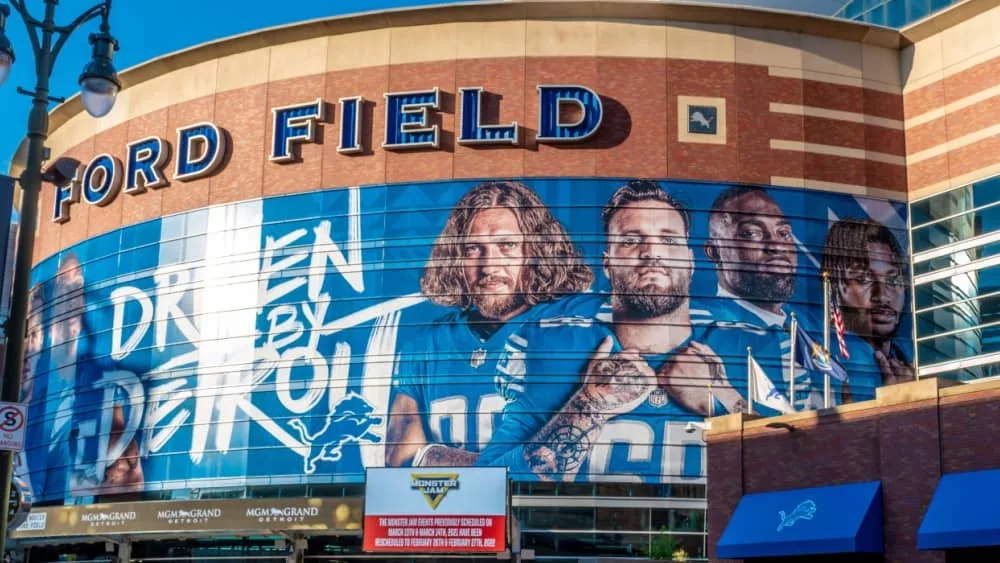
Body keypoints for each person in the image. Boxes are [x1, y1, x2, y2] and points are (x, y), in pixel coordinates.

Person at [477, 180, 745, 483]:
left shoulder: (744, 346)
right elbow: (487, 483)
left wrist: (723, 399)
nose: (651, 252)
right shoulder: (554, 350)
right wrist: (590, 402)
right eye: (631, 240)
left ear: (690, 260)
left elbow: (796, 473)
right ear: (607, 264)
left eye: (668, 241)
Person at [385, 180, 595, 468]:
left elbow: (572, 463)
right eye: (473, 248)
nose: (489, 266)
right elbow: (400, 459)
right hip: (450, 509)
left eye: (506, 245)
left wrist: (437, 456)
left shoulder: (571, 327)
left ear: (536, 250)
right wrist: (513, 467)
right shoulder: (426, 343)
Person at [695, 185, 819, 410]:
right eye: (751, 233)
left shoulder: (815, 328)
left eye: (784, 233)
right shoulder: (700, 331)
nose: (775, 246)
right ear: (714, 251)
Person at [42, 254, 144, 501]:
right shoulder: (38, 385)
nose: (72, 322)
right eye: (63, 309)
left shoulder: (103, 379)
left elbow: (131, 475)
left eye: (77, 308)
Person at [822, 218, 914, 401]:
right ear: (835, 286)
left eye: (892, 280)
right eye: (863, 279)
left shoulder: (910, 358)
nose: (882, 295)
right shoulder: (829, 367)